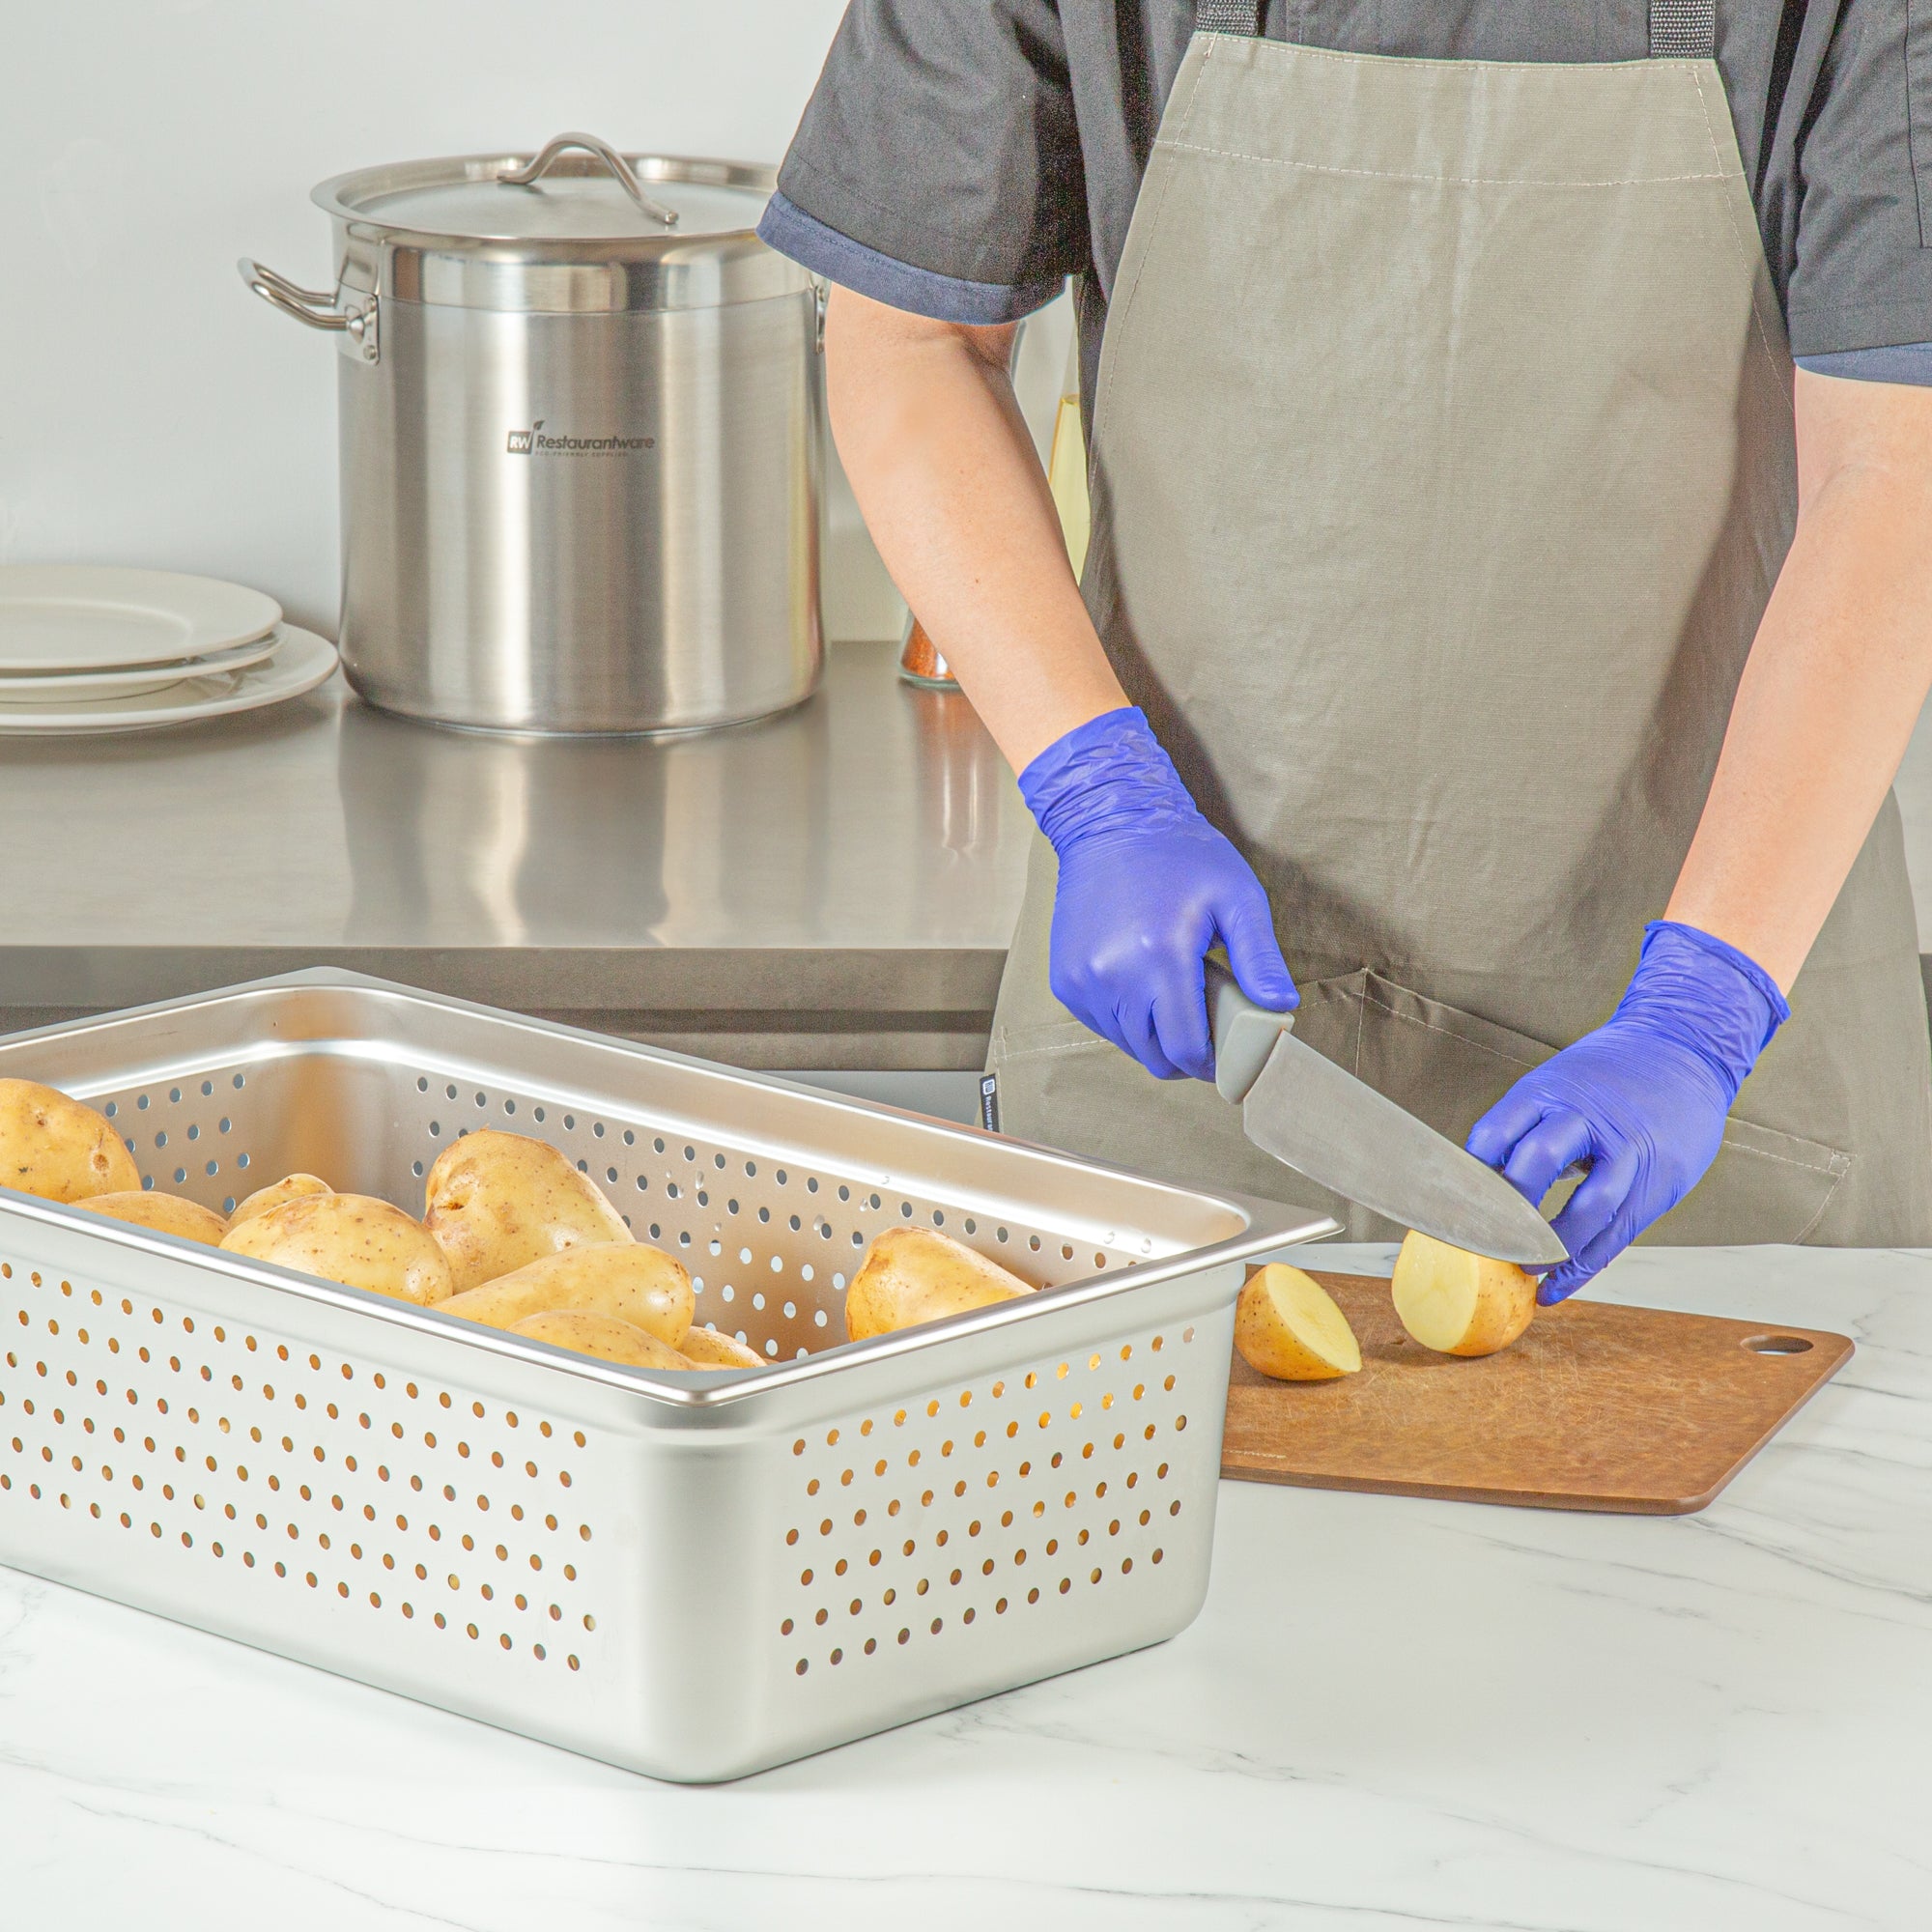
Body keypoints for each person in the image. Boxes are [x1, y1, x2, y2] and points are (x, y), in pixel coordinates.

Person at [760, 0, 1932, 1299]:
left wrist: (1705, 1006)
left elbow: (1899, 467)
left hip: (1719, 1041)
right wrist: (1100, 793)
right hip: (1199, 1038)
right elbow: (910, 338)